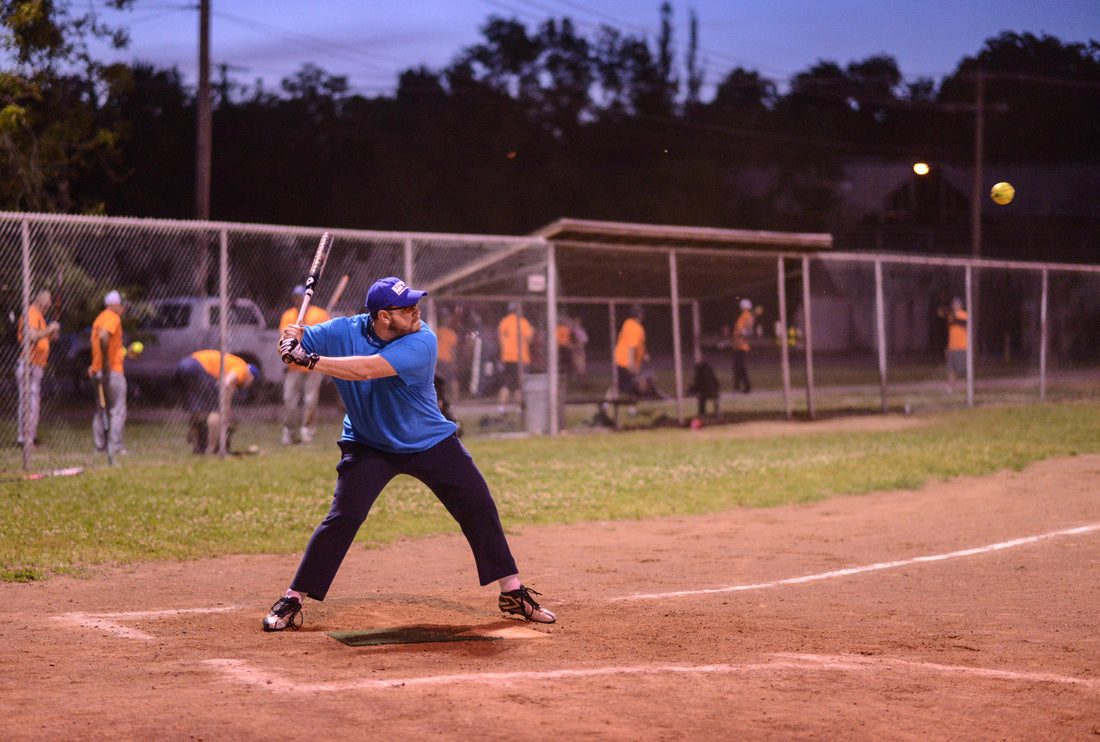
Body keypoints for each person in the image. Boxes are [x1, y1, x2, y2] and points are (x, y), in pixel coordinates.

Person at [264, 276, 555, 632]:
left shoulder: (422, 340)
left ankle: (511, 592)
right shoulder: (342, 331)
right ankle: (294, 597)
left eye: (415, 303)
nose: (417, 311)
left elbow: (364, 370)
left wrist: (308, 360)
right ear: (383, 316)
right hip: (368, 442)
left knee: (477, 504)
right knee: (343, 518)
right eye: (407, 307)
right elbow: (301, 339)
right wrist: (293, 338)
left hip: (428, 441)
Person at [174, 350, 259, 454]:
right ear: (251, 378)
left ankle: (197, 449)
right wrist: (225, 411)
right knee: (215, 411)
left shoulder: (233, 363)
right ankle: (210, 449)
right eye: (251, 383)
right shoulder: (243, 369)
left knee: (196, 411)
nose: (247, 386)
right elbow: (227, 383)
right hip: (199, 368)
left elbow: (221, 382)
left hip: (183, 365)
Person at [279, 286, 331, 445]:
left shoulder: (320, 314)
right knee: (289, 401)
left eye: (300, 297)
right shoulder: (288, 315)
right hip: (294, 366)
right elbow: (286, 339)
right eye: (295, 297)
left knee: (310, 402)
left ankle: (307, 434)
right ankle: (290, 434)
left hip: (313, 365)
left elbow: (328, 336)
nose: (298, 300)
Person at [15, 289, 61, 449]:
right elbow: (31, 337)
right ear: (41, 301)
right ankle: (25, 439)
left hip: (37, 365)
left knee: (34, 403)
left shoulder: (39, 316)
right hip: (29, 365)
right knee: (29, 403)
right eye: (48, 301)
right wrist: (49, 330)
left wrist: (50, 335)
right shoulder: (31, 313)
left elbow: (40, 337)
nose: (49, 304)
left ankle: (30, 437)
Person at [88, 290, 129, 456]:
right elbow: (105, 336)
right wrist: (107, 360)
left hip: (97, 370)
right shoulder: (113, 318)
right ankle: (116, 447)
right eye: (121, 305)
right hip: (111, 371)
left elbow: (109, 345)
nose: (123, 308)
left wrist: (125, 352)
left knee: (101, 410)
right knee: (117, 410)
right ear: (115, 305)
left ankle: (101, 446)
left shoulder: (99, 318)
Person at [496, 302, 533, 410]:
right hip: (521, 358)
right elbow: (529, 339)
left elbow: (500, 339)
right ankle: (519, 408)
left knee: (506, 384)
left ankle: (501, 407)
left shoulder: (504, 322)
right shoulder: (522, 322)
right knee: (520, 385)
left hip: (507, 358)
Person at [614, 304, 647, 396]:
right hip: (626, 363)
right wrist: (631, 364)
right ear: (640, 315)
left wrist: (643, 355)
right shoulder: (635, 328)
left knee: (623, 387)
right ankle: (631, 408)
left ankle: (608, 402)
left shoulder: (628, 323)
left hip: (620, 360)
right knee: (631, 388)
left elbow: (637, 344)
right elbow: (631, 347)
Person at [941, 297, 968, 392]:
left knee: (963, 369)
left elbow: (964, 325)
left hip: (962, 347)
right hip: (952, 347)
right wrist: (948, 347)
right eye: (954, 304)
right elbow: (950, 333)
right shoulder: (950, 317)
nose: (955, 306)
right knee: (950, 369)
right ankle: (950, 388)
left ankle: (969, 389)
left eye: (957, 304)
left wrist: (954, 318)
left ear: (961, 305)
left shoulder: (965, 315)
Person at [732, 298, 755, 394]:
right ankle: (737, 387)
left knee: (741, 367)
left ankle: (747, 387)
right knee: (736, 367)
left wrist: (743, 333)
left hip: (742, 345)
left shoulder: (748, 316)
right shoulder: (742, 316)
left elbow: (749, 331)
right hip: (737, 345)